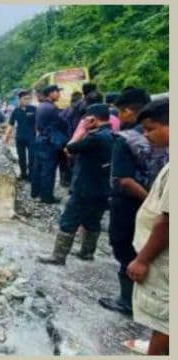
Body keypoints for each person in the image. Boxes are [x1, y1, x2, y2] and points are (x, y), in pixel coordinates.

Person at [98, 89, 167, 316]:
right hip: (158, 208)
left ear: (128, 110)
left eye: (120, 111)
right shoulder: (162, 137)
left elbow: (124, 180)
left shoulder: (125, 139)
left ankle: (128, 301)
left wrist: (152, 203)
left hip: (132, 207)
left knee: (126, 250)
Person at [37, 104, 114, 265]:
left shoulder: (95, 138)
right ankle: (87, 252)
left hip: (84, 187)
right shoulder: (112, 135)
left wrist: (82, 129)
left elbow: (69, 148)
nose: (84, 121)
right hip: (103, 188)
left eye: (86, 118)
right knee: (93, 221)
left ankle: (58, 256)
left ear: (93, 118)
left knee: (68, 221)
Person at [126, 98, 169, 355]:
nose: (147, 136)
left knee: (165, 317)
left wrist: (142, 259)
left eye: (151, 128)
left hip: (163, 260)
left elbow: (169, 221)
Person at [31, 84, 67, 203]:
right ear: (51, 93)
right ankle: (47, 197)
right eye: (57, 92)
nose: (59, 94)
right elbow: (62, 123)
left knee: (39, 168)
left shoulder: (41, 106)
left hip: (41, 139)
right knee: (48, 170)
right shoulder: (51, 108)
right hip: (49, 142)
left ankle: (36, 192)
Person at [4, 90, 37, 181]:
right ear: (20, 99)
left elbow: (38, 124)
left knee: (32, 158)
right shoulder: (16, 111)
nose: (27, 100)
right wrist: (5, 138)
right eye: (25, 99)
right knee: (21, 157)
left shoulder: (33, 109)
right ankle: (23, 174)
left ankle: (31, 175)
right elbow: (11, 125)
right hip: (20, 138)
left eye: (28, 99)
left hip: (31, 138)